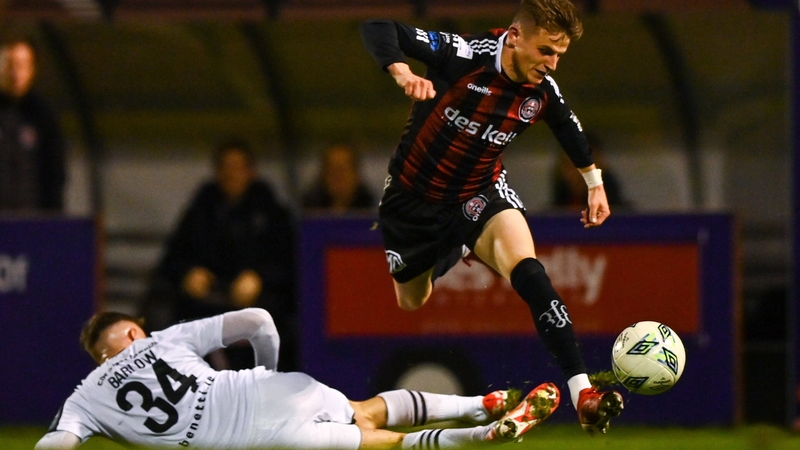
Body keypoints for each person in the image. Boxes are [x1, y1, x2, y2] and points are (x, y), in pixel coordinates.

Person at [359, 0, 623, 434]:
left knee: (532, 275)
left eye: (560, 55)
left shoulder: (541, 91)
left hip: (478, 193)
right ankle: (455, 246)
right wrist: (401, 70)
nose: (552, 64)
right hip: (412, 203)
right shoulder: (464, 55)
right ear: (516, 37)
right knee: (412, 300)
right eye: (546, 51)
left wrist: (594, 184)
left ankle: (583, 393)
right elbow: (378, 26)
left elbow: (568, 126)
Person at [35, 308, 561, 449]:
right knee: (366, 408)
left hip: (251, 443)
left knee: (388, 443)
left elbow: (56, 444)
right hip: (265, 391)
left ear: (100, 358)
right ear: (132, 332)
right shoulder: (161, 339)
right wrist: (270, 373)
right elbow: (258, 321)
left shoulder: (87, 396)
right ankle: (480, 404)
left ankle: (480, 433)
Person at [142, 138, 298, 372]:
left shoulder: (271, 213)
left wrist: (260, 279)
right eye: (225, 168)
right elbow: (171, 260)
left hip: (258, 307)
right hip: (206, 305)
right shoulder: (201, 210)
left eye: (239, 168)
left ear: (251, 172)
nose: (232, 175)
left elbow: (289, 263)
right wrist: (189, 274)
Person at [0, 35, 66, 212]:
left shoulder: (43, 115)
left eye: (21, 66)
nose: (15, 74)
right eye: (9, 65)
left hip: (30, 223)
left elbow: (55, 174)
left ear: (32, 70)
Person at [552, 132, 629, 209]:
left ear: (601, 165)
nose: (578, 173)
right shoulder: (550, 217)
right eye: (569, 166)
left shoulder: (625, 217)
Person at [302, 143, 376, 212]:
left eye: (344, 169)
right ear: (322, 174)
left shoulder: (373, 210)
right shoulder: (307, 211)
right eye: (333, 169)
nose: (339, 175)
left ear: (357, 174)